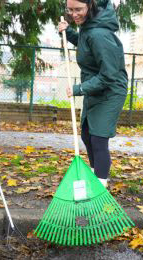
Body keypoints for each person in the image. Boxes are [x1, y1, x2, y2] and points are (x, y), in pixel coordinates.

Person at [58, 0, 127, 188]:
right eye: (70, 10)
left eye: (78, 9)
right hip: (95, 87)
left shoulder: (99, 34)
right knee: (87, 135)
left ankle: (100, 185)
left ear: (91, 6)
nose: (73, 14)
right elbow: (85, 44)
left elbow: (109, 75)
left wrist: (79, 89)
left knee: (98, 137)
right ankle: (98, 175)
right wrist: (68, 33)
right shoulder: (89, 27)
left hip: (110, 90)